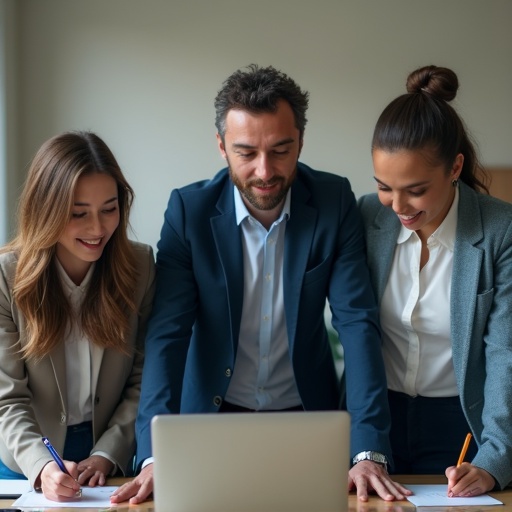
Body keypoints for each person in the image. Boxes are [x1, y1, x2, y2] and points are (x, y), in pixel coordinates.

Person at [111, 64, 410, 506]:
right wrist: (154, 457)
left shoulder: (333, 202)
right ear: (221, 146)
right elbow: (166, 335)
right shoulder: (188, 214)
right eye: (246, 152)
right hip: (207, 422)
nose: (264, 171)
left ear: (301, 142)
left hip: (308, 421)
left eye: (281, 150)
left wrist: (367, 450)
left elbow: (358, 324)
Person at [358, 65, 512, 496]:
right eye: (385, 187)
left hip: (461, 424)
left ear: (455, 166)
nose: (398, 206)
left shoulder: (501, 230)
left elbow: (506, 352)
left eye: (416, 189)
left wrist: (494, 458)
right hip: (377, 418)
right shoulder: (367, 215)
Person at [0, 131, 155, 501]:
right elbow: (7, 400)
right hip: (25, 457)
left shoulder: (140, 266)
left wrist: (107, 453)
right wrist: (42, 466)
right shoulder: (7, 276)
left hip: (112, 450)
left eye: (109, 208)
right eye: (78, 214)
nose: (98, 229)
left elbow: (142, 380)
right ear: (46, 210)